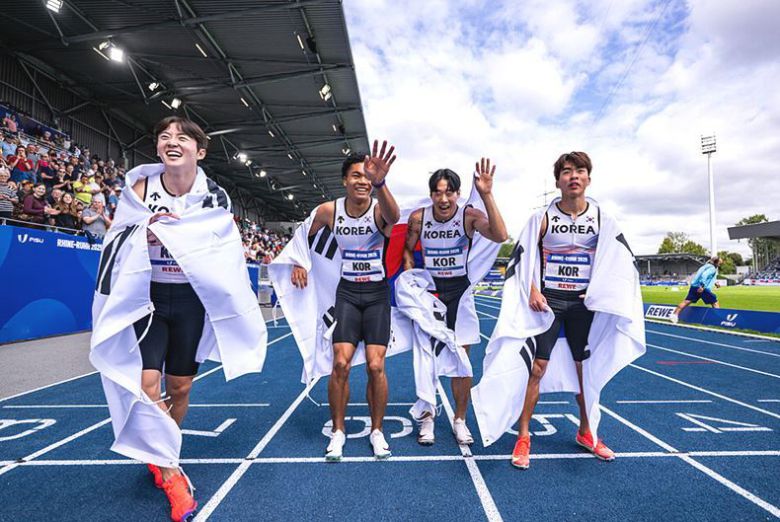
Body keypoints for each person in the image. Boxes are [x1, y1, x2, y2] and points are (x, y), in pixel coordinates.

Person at [508, 152, 632, 469]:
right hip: (549, 302)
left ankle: (587, 432)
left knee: (585, 373)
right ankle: (523, 436)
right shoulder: (543, 217)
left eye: (579, 171)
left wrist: (605, 293)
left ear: (588, 177)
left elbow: (620, 262)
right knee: (537, 368)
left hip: (584, 305)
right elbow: (523, 257)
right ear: (558, 181)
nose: (573, 176)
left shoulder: (603, 218)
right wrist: (533, 289)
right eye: (566, 171)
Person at [291, 142, 400, 461]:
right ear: (344, 181)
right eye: (356, 175)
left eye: (367, 177)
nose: (362, 181)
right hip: (347, 295)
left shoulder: (378, 209)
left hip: (377, 296)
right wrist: (300, 261)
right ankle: (338, 432)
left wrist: (381, 183)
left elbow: (394, 217)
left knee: (376, 366)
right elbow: (303, 235)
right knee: (340, 363)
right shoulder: (328, 211)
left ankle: (377, 432)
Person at [402, 160, 507, 445]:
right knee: (426, 360)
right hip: (431, 295)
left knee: (462, 361)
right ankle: (427, 418)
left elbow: (500, 235)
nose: (444, 199)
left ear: (458, 194)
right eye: (438, 193)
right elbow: (408, 251)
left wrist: (486, 194)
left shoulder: (468, 216)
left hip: (460, 293)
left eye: (449, 192)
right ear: (431, 194)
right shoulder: (418, 218)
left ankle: (459, 420)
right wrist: (414, 282)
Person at [670, 256, 723, 323]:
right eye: (719, 263)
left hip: (694, 286)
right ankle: (718, 320)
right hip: (702, 288)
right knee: (715, 302)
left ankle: (674, 315)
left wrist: (715, 282)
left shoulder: (704, 266)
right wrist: (702, 286)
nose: (720, 265)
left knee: (687, 301)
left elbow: (707, 276)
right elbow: (704, 275)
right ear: (716, 262)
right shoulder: (712, 268)